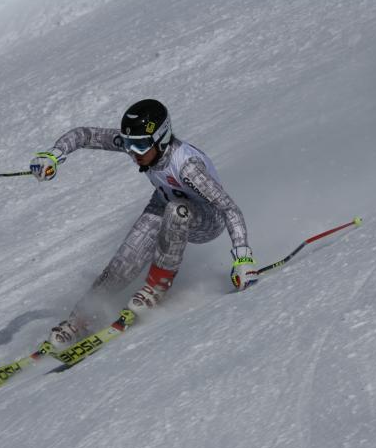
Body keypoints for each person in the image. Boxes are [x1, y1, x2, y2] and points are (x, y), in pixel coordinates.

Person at [29, 99, 258, 348]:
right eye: (128, 144)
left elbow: (229, 208)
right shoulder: (142, 146)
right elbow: (85, 135)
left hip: (207, 219)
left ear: (161, 139)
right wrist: (53, 155)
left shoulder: (188, 167)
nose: (133, 152)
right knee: (122, 264)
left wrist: (243, 259)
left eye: (139, 145)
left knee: (177, 211)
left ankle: (156, 288)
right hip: (164, 203)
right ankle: (79, 320)